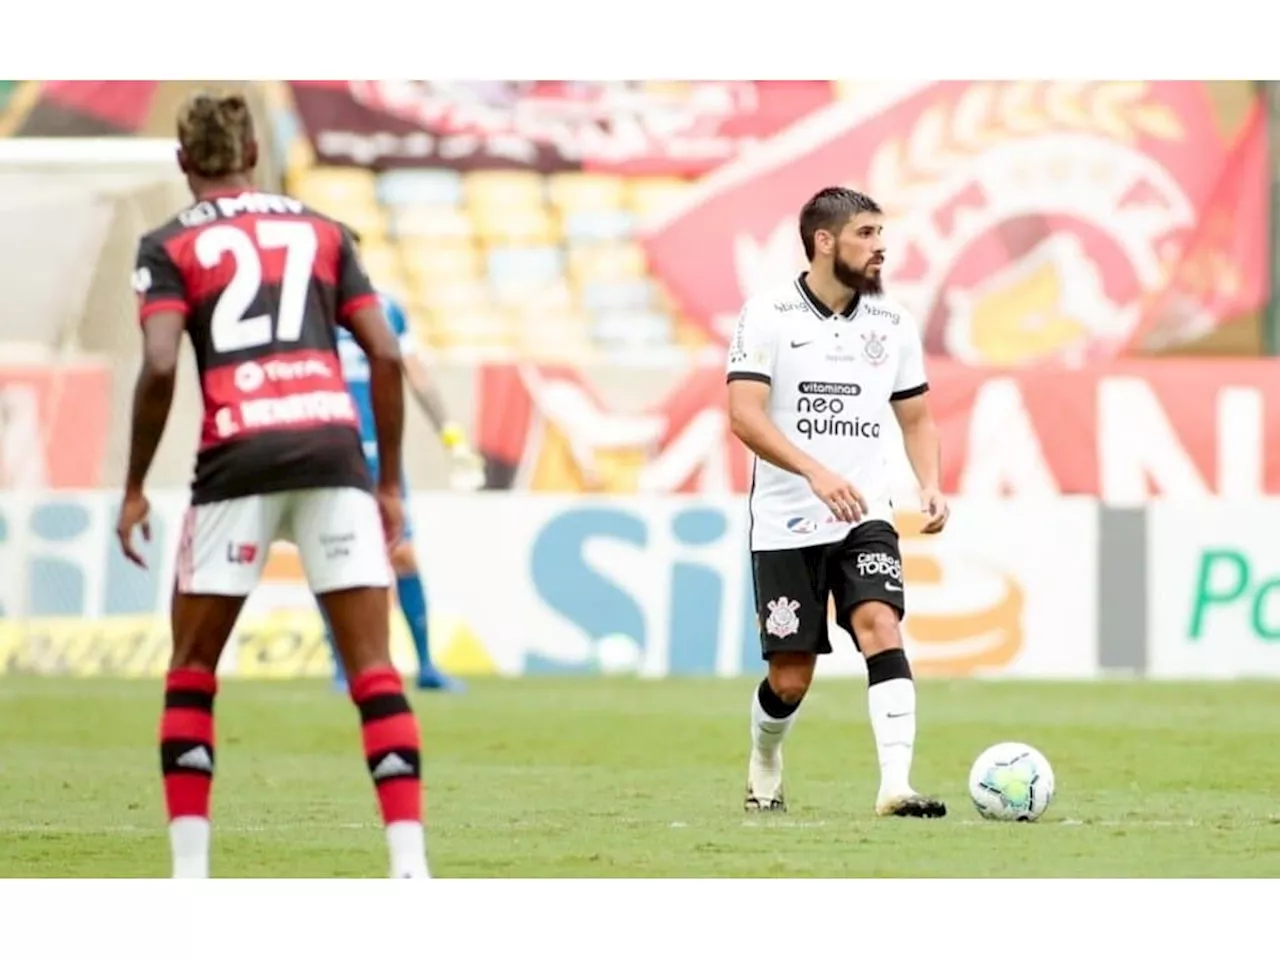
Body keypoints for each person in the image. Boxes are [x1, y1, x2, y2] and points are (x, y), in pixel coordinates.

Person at [116, 91, 431, 878]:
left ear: (184, 160)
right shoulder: (323, 230)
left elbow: (158, 363)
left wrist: (133, 486)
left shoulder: (165, 245)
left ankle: (191, 878)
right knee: (374, 673)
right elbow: (386, 355)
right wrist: (388, 482)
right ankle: (410, 869)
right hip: (332, 454)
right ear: (254, 150)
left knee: (193, 670)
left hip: (236, 460)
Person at [726, 185, 950, 819]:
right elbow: (743, 416)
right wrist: (815, 471)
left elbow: (916, 417)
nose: (881, 248)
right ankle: (765, 757)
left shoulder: (893, 322)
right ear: (825, 242)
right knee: (790, 679)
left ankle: (895, 786)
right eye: (867, 235)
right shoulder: (767, 313)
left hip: (865, 513)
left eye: (882, 234)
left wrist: (929, 481)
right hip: (784, 520)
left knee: (880, 622)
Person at [323, 240, 482, 694]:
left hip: (379, 453)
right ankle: (344, 666)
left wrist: (450, 434)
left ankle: (427, 664)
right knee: (335, 556)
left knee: (402, 553)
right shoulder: (308, 311)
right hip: (329, 451)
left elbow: (416, 374)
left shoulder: (386, 309)